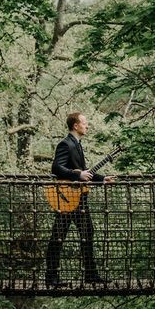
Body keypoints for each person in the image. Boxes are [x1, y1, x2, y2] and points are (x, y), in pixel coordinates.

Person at [44, 112, 115, 287]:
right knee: (58, 237)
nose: (87, 125)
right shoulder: (65, 144)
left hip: (79, 199)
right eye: (84, 123)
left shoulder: (78, 145)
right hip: (67, 199)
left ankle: (90, 275)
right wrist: (77, 175)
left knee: (88, 234)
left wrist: (102, 178)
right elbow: (56, 168)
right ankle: (51, 277)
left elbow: (83, 172)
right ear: (75, 125)